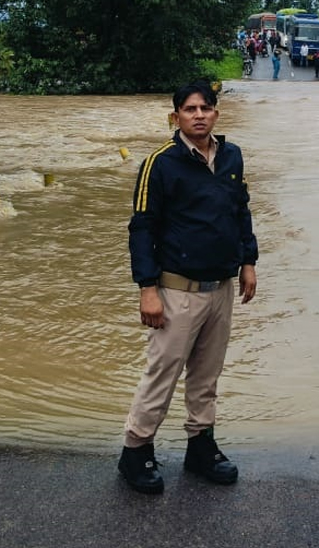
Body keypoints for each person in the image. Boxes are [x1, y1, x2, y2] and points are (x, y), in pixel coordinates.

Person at [118, 81, 259, 494]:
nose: (198, 115)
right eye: (189, 109)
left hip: (221, 287)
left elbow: (241, 211)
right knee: (162, 373)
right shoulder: (160, 164)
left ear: (216, 113)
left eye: (205, 108)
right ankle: (136, 450)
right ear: (176, 115)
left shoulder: (231, 156)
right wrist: (147, 288)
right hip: (176, 289)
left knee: (207, 375)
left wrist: (248, 261)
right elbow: (142, 228)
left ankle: (201, 446)